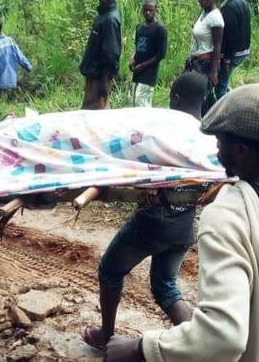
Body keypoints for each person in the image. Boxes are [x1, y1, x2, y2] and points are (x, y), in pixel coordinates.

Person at [104, 83, 259, 361]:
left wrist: (140, 348)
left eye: (220, 144)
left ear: (241, 151)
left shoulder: (226, 215)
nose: (217, 154)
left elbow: (223, 337)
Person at [81, 72, 206, 352]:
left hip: (153, 221)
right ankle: (197, 347)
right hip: (185, 224)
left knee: (110, 269)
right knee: (165, 286)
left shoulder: (164, 134)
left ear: (174, 98)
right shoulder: (210, 138)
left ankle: (105, 335)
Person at [183, 0, 224, 116]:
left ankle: (205, 125)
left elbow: (217, 45)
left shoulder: (215, 17)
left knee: (200, 98)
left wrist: (213, 72)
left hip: (206, 64)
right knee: (196, 96)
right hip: (196, 62)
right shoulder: (204, 14)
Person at [79, 0, 121, 110]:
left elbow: (111, 53)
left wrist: (104, 81)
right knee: (95, 109)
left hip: (100, 75)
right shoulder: (101, 16)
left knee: (94, 112)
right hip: (93, 74)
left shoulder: (110, 19)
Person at [216, 0, 251, 100]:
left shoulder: (229, 8)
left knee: (220, 89)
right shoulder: (243, 2)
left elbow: (231, 36)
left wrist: (227, 59)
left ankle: (226, 112)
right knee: (223, 83)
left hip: (232, 54)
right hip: (243, 51)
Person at [128, 0, 167, 107]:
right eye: (145, 10)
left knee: (141, 100)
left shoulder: (160, 29)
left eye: (150, 10)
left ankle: (144, 124)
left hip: (149, 72)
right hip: (137, 71)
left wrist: (143, 66)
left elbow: (160, 55)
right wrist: (132, 59)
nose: (147, 12)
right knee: (135, 100)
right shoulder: (139, 27)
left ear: (156, 10)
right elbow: (137, 47)